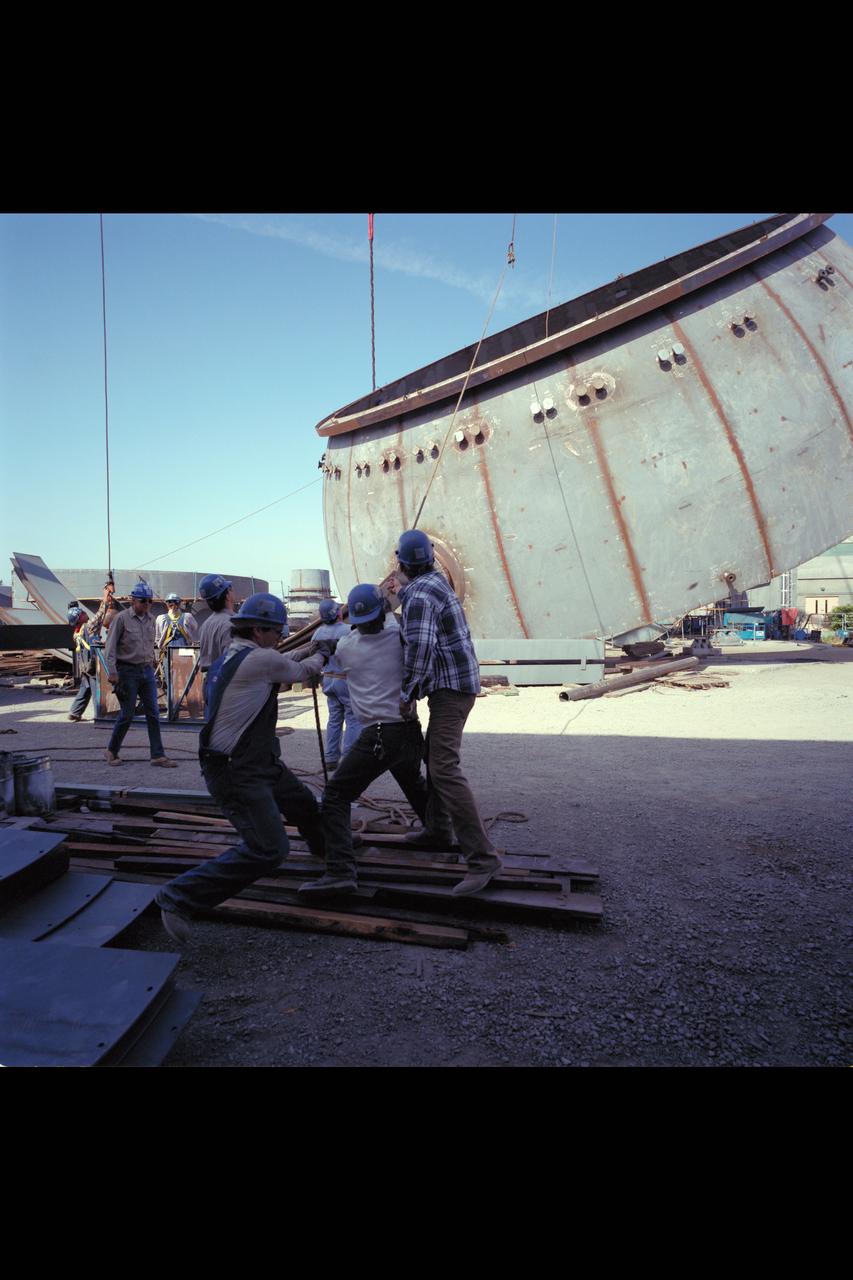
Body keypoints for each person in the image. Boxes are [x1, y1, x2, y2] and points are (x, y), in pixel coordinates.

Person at [154, 592, 328, 944]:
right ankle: (177, 897)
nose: (280, 637)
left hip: (258, 762)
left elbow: (281, 659)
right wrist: (324, 651)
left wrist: (311, 648)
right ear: (259, 630)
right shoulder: (261, 660)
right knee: (269, 849)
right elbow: (301, 670)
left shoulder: (235, 656)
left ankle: (329, 853)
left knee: (304, 805)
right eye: (276, 631)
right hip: (235, 770)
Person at [298, 583, 430, 900]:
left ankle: (340, 873)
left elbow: (324, 654)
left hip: (380, 734)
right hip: (409, 730)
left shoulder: (346, 647)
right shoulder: (400, 636)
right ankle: (439, 830)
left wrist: (315, 652)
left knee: (336, 796)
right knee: (412, 781)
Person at [391, 528, 502, 896]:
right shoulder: (434, 584)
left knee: (444, 768)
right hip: (454, 684)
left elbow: (420, 650)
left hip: (450, 690)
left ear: (402, 564)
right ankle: (438, 830)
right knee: (432, 756)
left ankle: (483, 860)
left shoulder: (420, 595)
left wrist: (406, 694)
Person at [103, 581, 177, 768]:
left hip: (146, 670)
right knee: (127, 714)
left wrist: (152, 664)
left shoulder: (151, 620)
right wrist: (112, 672)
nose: (147, 605)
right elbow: (110, 648)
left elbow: (150, 645)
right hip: (127, 672)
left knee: (153, 713)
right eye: (143, 601)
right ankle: (112, 750)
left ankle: (157, 755)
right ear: (132, 601)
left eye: (149, 601)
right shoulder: (120, 619)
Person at [291, 598, 362, 769]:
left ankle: (330, 758)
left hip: (328, 679)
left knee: (334, 719)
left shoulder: (317, 634)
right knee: (353, 719)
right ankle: (348, 761)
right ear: (338, 613)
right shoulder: (349, 630)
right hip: (345, 680)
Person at [67, 582, 113, 721]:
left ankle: (75, 712)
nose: (85, 613)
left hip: (84, 666)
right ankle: (100, 715)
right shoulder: (89, 627)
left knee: (85, 688)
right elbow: (100, 614)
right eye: (82, 613)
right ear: (79, 618)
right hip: (93, 665)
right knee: (97, 689)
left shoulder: (76, 633)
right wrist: (105, 596)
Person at [197, 574, 236, 672]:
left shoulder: (205, 625)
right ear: (227, 595)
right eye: (230, 588)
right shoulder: (232, 624)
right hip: (226, 682)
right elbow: (233, 663)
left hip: (210, 681)